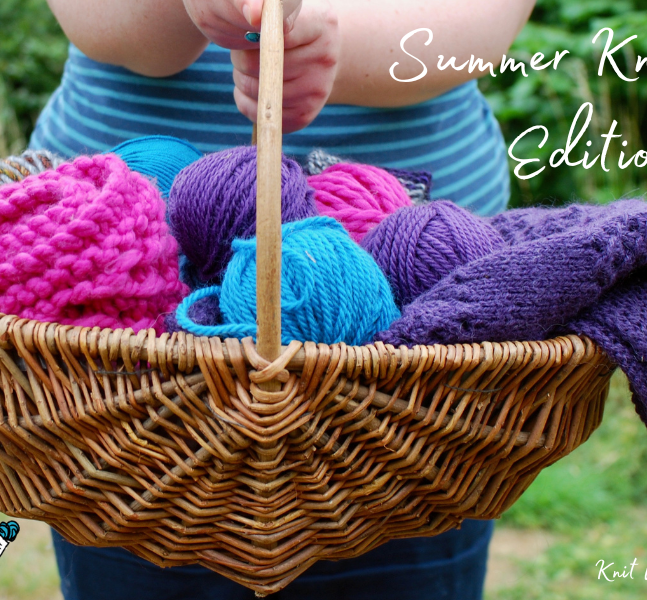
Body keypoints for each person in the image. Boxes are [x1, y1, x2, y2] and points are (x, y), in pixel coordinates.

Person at [30, 1, 535, 598]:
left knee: (403, 562)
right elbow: (115, 28)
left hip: (421, 338)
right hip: (116, 319)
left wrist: (328, 48)